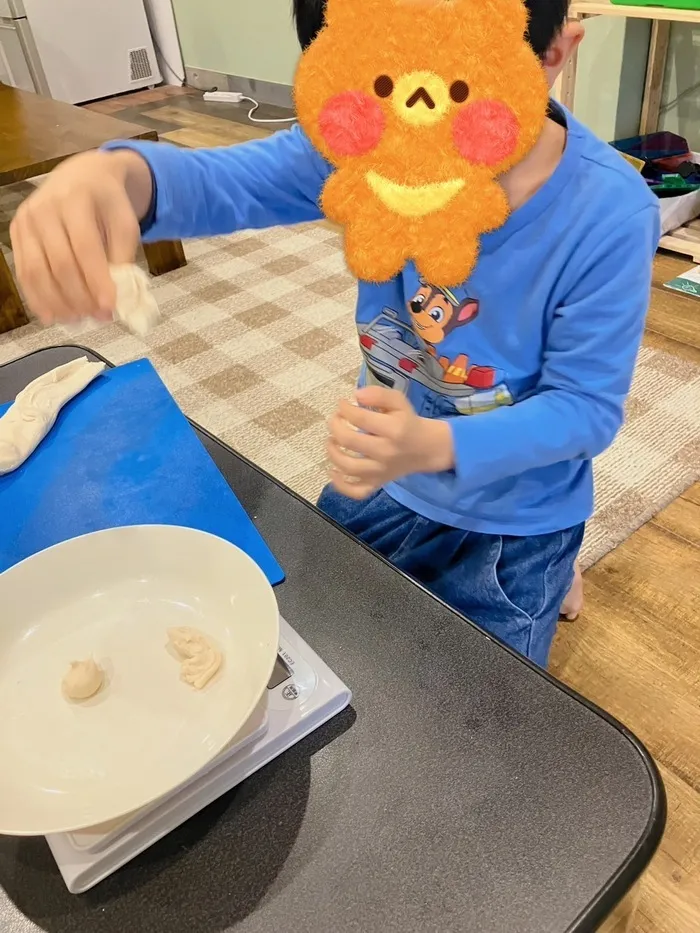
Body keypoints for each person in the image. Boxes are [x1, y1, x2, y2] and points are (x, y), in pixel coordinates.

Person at [10, 0, 659, 668]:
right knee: (312, 642)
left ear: (554, 53)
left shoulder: (607, 211)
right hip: (383, 478)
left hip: (513, 526)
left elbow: (583, 409)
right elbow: (225, 182)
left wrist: (433, 443)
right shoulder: (360, 143)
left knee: (484, 695)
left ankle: (557, 567)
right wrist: (118, 175)